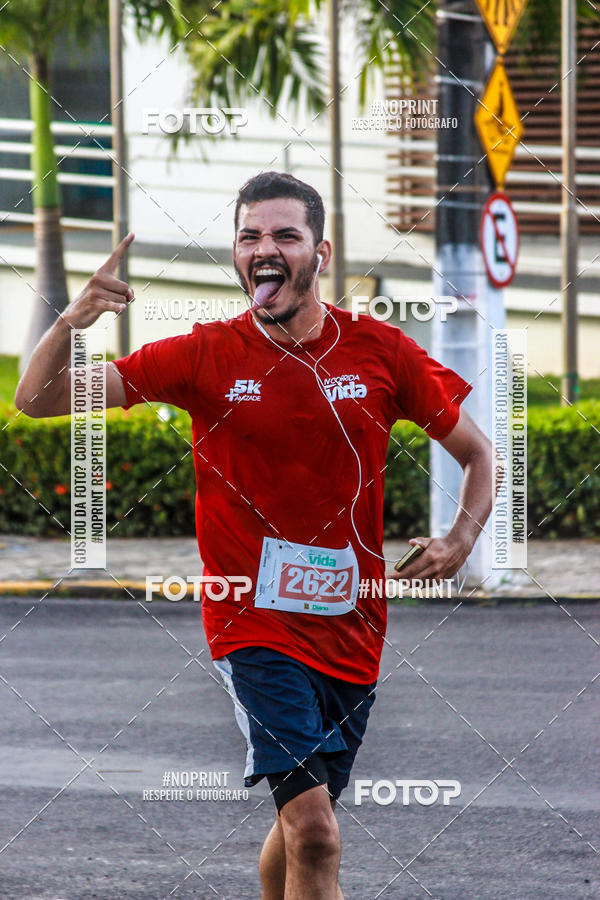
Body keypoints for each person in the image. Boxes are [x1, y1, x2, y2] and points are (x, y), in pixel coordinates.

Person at [16, 171, 493, 900]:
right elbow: (38, 400)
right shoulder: (206, 356)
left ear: (319, 252)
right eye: (249, 237)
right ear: (237, 255)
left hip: (354, 627)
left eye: (284, 236)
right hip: (251, 621)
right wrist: (69, 322)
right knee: (316, 834)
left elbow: (478, 453)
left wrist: (462, 537)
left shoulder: (381, 353)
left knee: (307, 820)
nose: (264, 249)